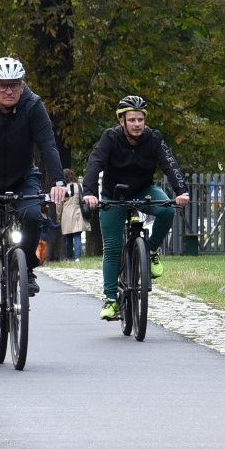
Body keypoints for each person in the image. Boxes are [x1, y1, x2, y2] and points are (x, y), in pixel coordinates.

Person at [0, 56, 68, 348]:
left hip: (22, 176)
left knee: (33, 216)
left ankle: (27, 266)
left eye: (15, 85)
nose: (9, 91)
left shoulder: (33, 106)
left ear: (22, 85)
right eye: (3, 86)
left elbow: (47, 145)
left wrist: (58, 182)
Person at [81, 94, 190, 321]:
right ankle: (111, 300)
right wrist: (89, 193)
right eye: (132, 120)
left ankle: (150, 252)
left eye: (140, 119)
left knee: (167, 210)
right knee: (112, 248)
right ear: (122, 121)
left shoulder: (154, 139)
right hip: (114, 195)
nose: (137, 124)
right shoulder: (110, 138)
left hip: (143, 190)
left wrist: (181, 191)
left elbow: (169, 164)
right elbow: (95, 164)